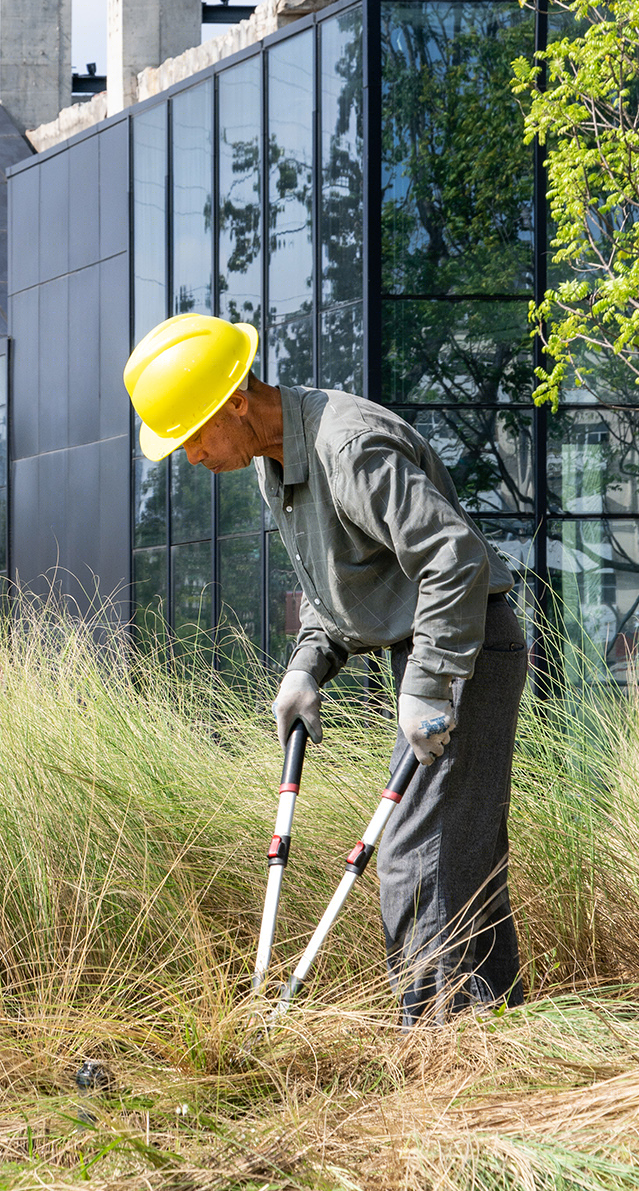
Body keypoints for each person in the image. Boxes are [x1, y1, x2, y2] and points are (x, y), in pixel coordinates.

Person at [123, 312, 527, 1022]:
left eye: (191, 436)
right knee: (460, 860)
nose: (189, 456)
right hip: (430, 650)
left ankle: (438, 1053)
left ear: (238, 402)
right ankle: (496, 1041)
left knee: (416, 858)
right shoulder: (271, 461)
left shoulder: (348, 445)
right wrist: (307, 665)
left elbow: (452, 555)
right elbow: (333, 587)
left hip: (464, 649)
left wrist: (429, 680)